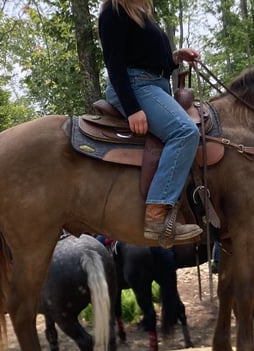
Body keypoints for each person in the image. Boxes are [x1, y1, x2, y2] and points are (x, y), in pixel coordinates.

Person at [98, 0, 203, 247]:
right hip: (136, 86)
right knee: (184, 132)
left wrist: (176, 57)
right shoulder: (114, 12)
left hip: (156, 86)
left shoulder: (143, 14)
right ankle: (156, 215)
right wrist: (133, 108)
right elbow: (115, 64)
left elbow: (154, 61)